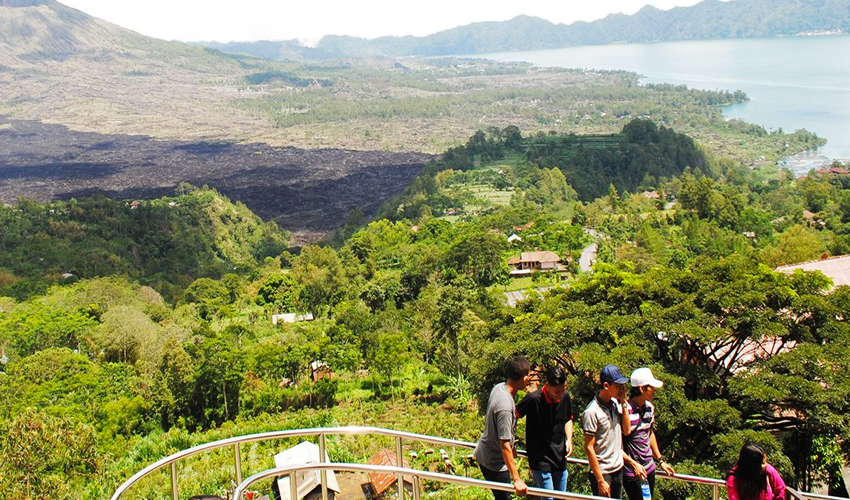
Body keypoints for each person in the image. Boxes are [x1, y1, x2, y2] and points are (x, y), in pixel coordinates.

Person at [475, 356, 532, 500]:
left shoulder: (499, 387)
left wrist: (512, 448)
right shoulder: (505, 406)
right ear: (524, 378)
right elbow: (504, 444)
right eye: (529, 375)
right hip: (494, 463)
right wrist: (517, 479)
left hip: (486, 454)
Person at [516, 366, 574, 500]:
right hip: (540, 459)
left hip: (559, 457)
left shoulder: (565, 397)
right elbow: (513, 416)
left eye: (563, 390)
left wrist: (569, 439)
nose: (560, 394)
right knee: (548, 498)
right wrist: (509, 441)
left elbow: (568, 419)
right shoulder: (533, 399)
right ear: (547, 385)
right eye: (557, 391)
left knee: (561, 497)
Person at [622, 367, 676, 500]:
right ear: (642, 389)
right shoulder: (624, 410)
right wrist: (632, 464)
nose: (654, 390)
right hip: (633, 472)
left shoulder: (649, 408)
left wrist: (660, 460)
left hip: (649, 468)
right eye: (651, 387)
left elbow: (649, 433)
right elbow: (621, 437)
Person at [582, 364, 630, 498]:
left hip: (617, 469)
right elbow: (589, 447)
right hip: (603, 472)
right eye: (618, 386)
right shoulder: (592, 412)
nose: (621, 389)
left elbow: (627, 431)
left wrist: (624, 402)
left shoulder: (614, 404)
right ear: (606, 386)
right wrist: (600, 480)